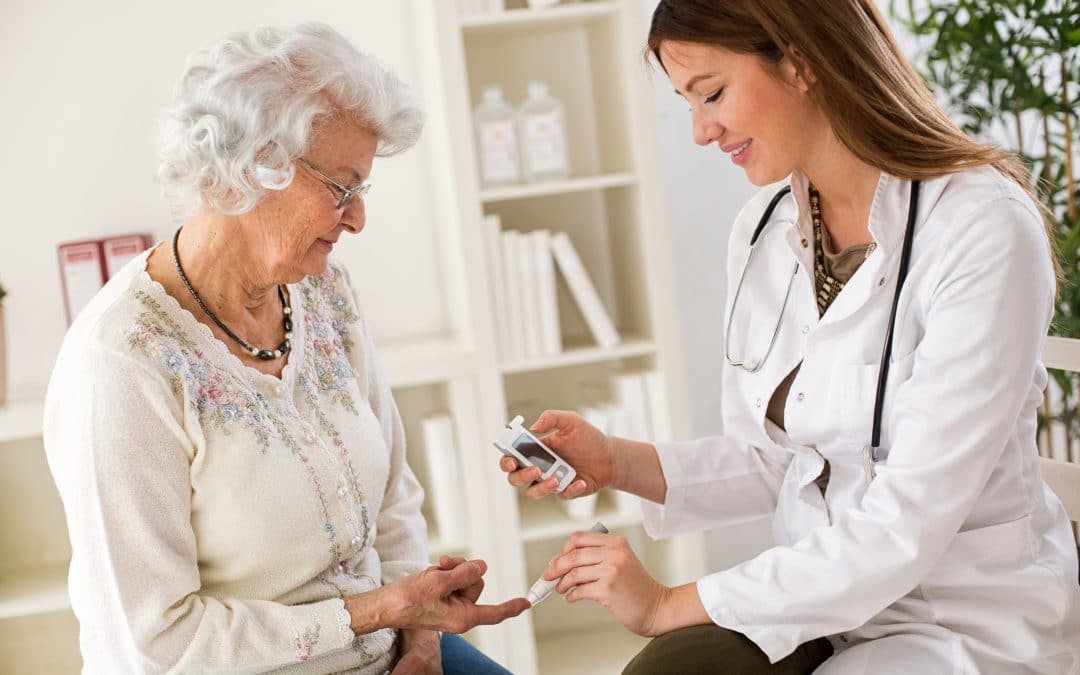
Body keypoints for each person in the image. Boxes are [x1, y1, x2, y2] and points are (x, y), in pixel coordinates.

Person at [499, 1, 1080, 673]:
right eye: (687, 103)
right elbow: (780, 457)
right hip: (821, 610)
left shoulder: (981, 228)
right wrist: (614, 461)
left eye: (711, 93)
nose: (699, 131)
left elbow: (905, 524)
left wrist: (666, 603)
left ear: (800, 60)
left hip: (961, 623)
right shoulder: (763, 231)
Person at [44, 23, 527, 674]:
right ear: (252, 166)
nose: (357, 219)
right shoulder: (122, 361)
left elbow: (394, 497)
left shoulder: (325, 295)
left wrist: (421, 637)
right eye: (341, 189)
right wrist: (384, 610)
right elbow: (156, 641)